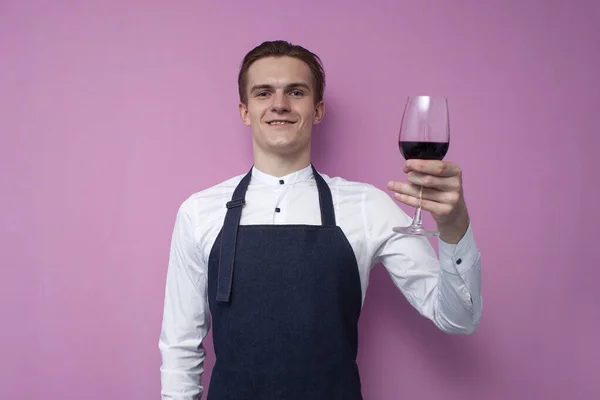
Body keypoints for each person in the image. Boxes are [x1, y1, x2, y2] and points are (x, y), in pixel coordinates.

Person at [159, 40, 482, 400]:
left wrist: (455, 226)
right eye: (264, 93)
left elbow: (458, 317)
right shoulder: (199, 212)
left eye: (295, 92)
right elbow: (180, 346)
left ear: (317, 110)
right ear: (245, 111)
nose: (279, 104)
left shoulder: (367, 206)